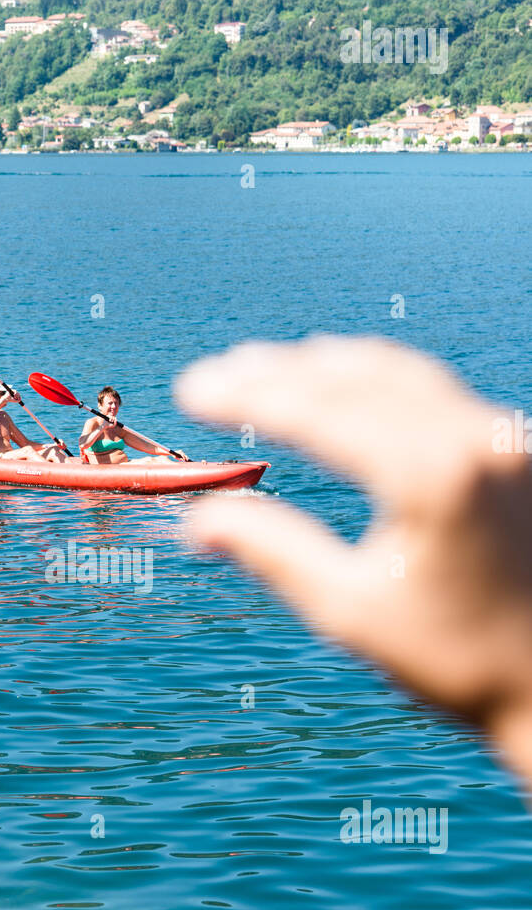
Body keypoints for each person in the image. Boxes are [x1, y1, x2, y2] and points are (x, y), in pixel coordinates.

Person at [175, 334, 532, 789]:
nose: (109, 413)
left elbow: (139, 445)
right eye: (107, 408)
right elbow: (98, 449)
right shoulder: (93, 432)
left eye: (112, 408)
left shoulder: (120, 430)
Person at [80, 386, 188, 464]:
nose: (113, 406)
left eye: (116, 403)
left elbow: (146, 446)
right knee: (151, 461)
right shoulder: (92, 423)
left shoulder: (119, 428)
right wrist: (103, 426)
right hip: (106, 472)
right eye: (110, 403)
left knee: (162, 459)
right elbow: (83, 444)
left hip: (124, 466)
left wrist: (171, 453)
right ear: (100, 406)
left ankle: (187, 470)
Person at [0, 380, 67, 462]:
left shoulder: (3, 416)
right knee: (27, 451)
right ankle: (52, 475)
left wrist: (50, 445)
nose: (7, 396)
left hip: (10, 458)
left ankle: (70, 475)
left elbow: (25, 443)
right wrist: (4, 399)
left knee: (54, 450)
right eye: (3, 393)